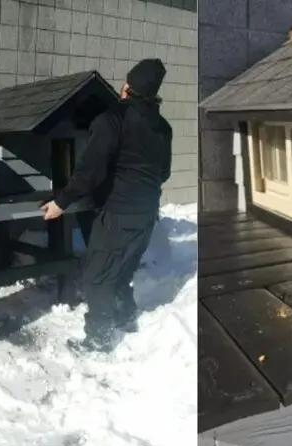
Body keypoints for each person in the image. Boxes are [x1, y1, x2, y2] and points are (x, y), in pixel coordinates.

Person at [41, 58, 173, 353]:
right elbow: (163, 172)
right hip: (146, 213)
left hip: (117, 213)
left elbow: (89, 171)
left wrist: (61, 202)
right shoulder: (163, 127)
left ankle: (99, 338)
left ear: (126, 87)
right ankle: (125, 316)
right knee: (123, 269)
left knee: (97, 276)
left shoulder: (111, 120)